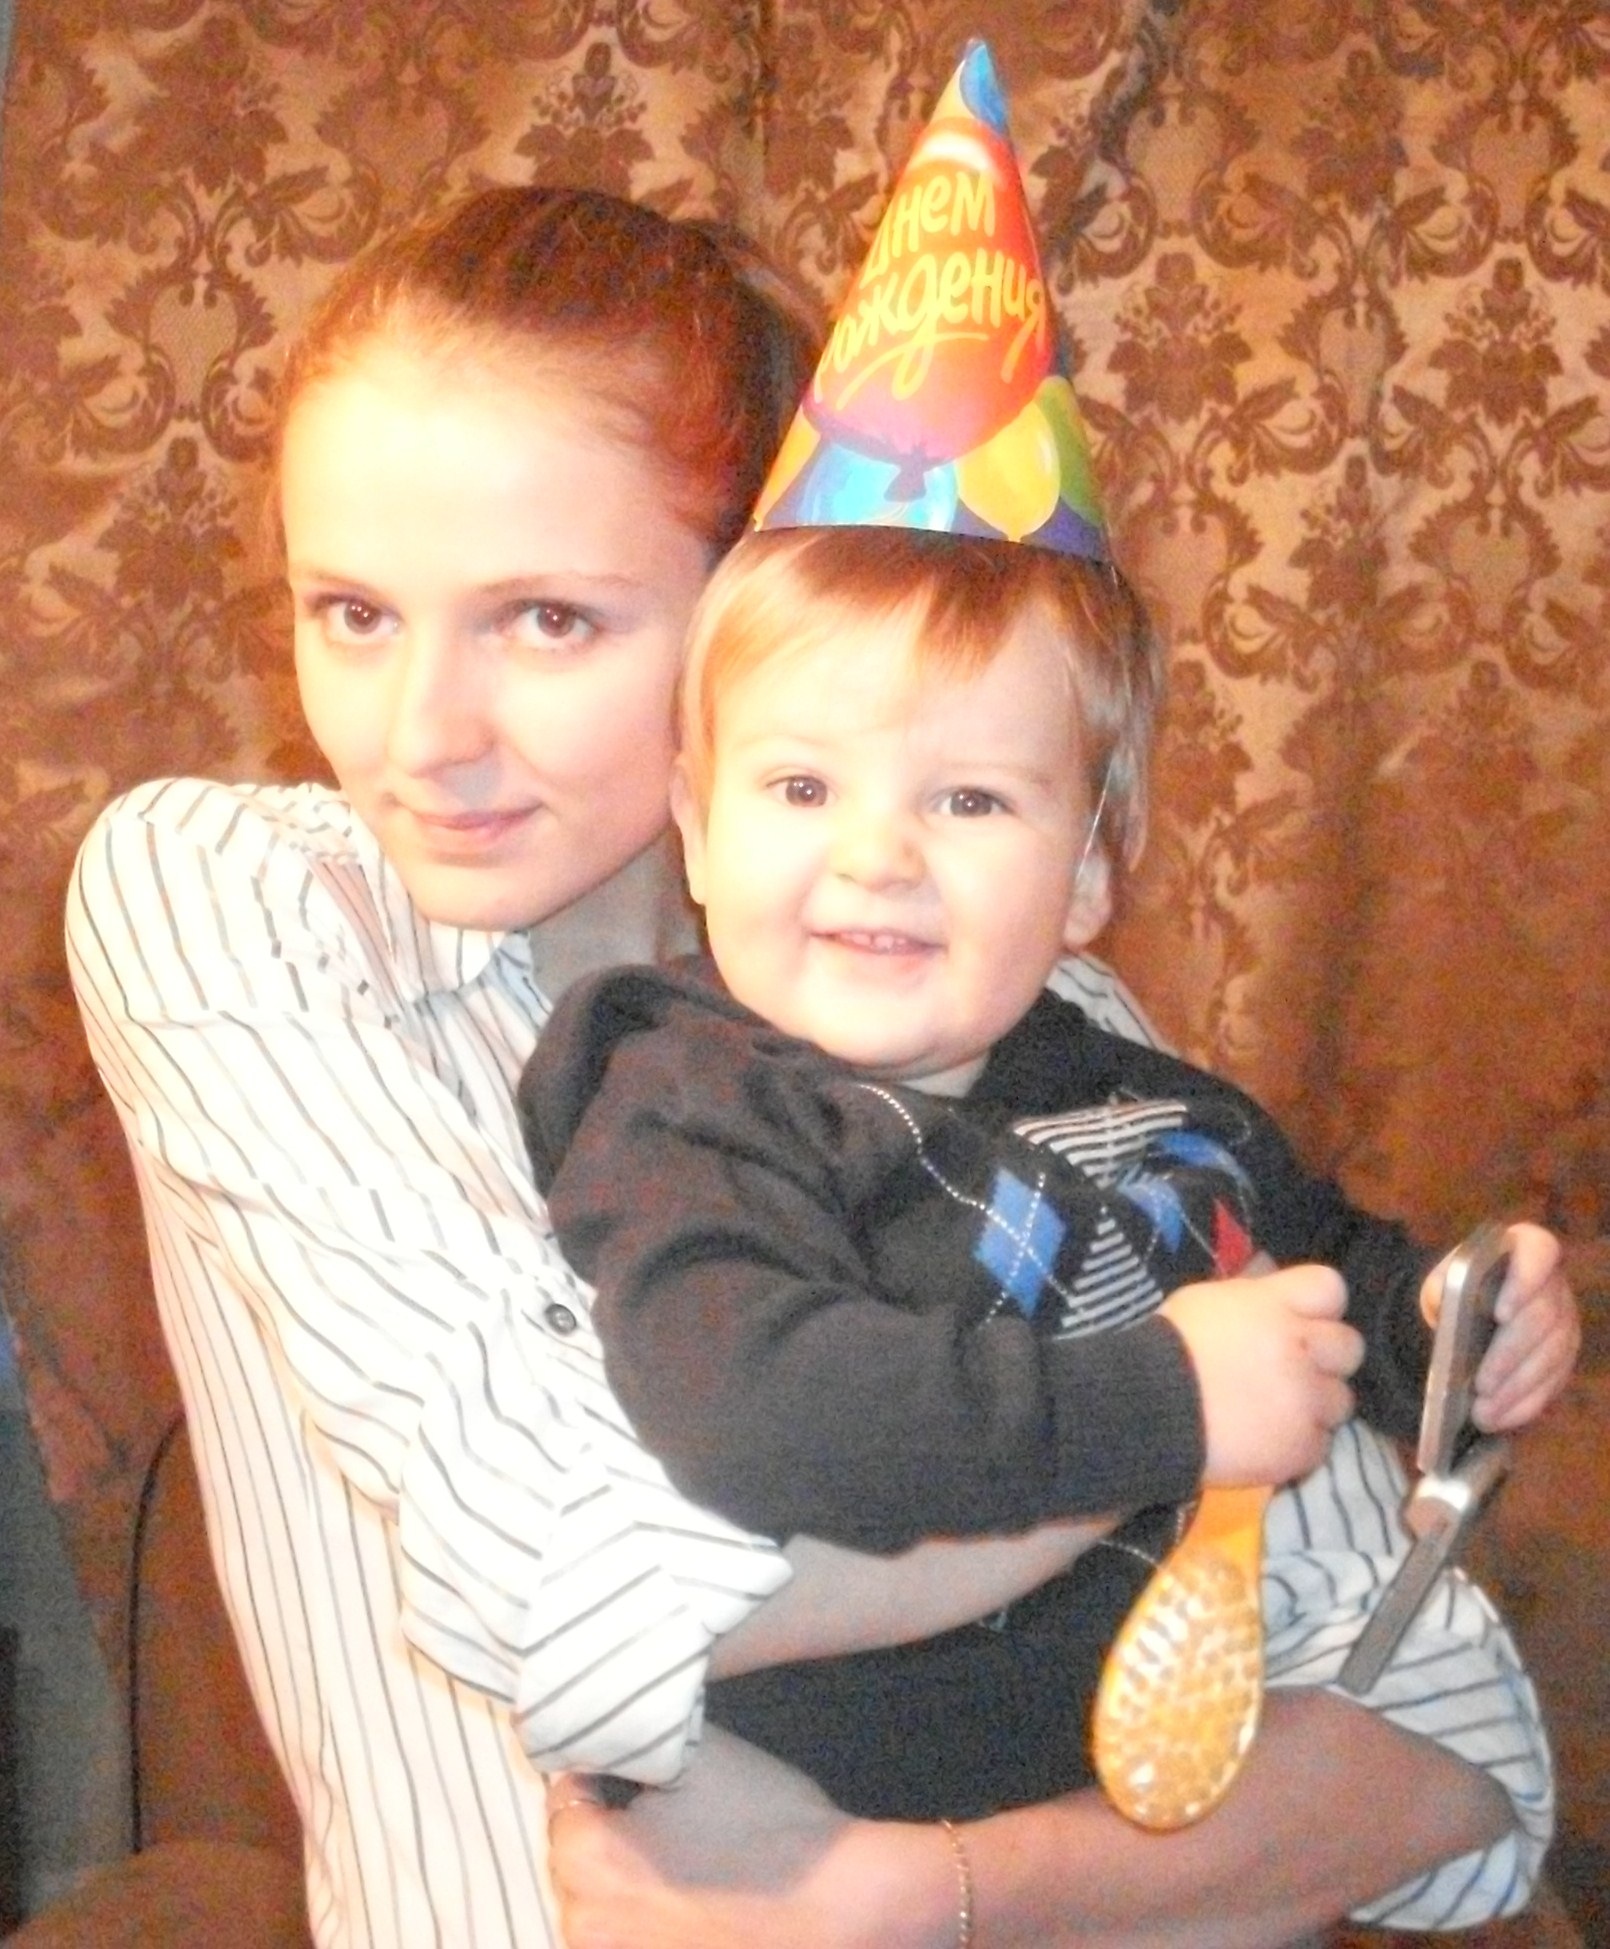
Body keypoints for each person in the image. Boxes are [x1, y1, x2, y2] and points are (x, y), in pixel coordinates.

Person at [62, 178, 1567, 1949]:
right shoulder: (242, 897)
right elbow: (585, 1586)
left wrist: (927, 1894)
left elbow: (1447, 1746)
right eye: (352, 611)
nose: (420, 739)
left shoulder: (1045, 1023)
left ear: (764, 608)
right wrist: (1182, 1405)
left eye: (547, 619)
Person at [518, 515, 1577, 1839]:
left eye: (968, 800)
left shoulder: (1154, 1101)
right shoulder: (696, 1103)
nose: (876, 856)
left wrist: (1452, 1327)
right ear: (696, 825)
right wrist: (1172, 1399)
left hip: (1167, 1817)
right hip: (844, 1829)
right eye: (800, 787)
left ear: (1085, 873)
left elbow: (1325, 1278)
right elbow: (754, 1407)